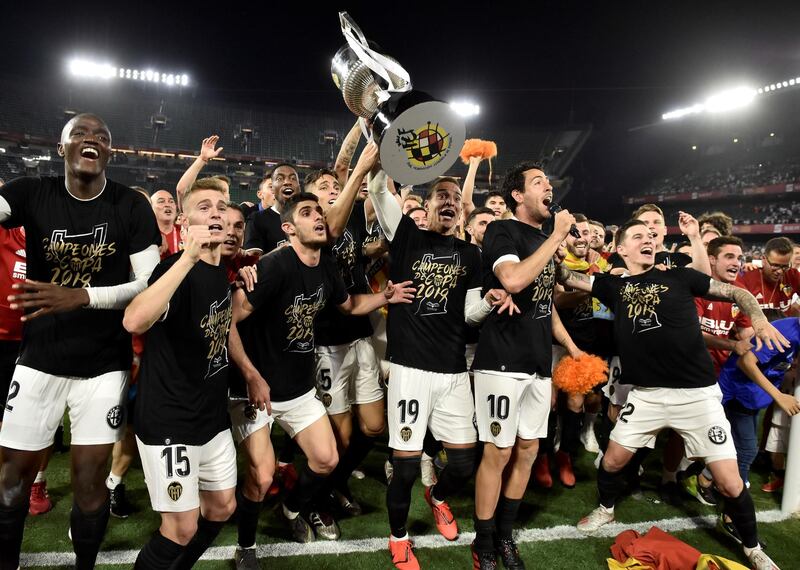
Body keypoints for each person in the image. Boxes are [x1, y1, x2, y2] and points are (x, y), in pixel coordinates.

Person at [559, 218, 787, 570]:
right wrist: (557, 237)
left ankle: (753, 547)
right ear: (620, 249)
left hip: (697, 396)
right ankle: (606, 509)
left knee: (728, 482)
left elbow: (737, 293)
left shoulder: (679, 277)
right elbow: (566, 277)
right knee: (613, 461)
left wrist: (758, 319)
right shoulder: (612, 286)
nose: (648, 239)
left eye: (651, 235)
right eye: (637, 236)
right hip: (647, 395)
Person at [0, 113, 161, 569]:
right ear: (61, 148)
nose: (92, 140)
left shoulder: (130, 205)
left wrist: (80, 296)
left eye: (102, 137)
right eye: (81, 134)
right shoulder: (32, 191)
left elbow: (148, 283)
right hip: (38, 358)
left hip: (103, 364)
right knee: (11, 478)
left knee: (90, 482)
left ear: (110, 152)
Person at [228, 192, 413, 546]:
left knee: (327, 459)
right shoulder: (273, 266)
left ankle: (292, 509)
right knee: (262, 476)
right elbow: (230, 320)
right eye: (307, 212)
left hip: (297, 389)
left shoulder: (327, 265)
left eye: (319, 212)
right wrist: (251, 375)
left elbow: (349, 305)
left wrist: (385, 297)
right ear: (288, 228)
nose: (318, 217)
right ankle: (246, 547)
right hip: (254, 389)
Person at [369, 171, 511, 570]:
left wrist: (490, 301)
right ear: (427, 206)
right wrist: (389, 158)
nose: (448, 201)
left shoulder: (471, 255)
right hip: (410, 371)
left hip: (452, 372)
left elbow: (469, 315)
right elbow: (380, 190)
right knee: (406, 467)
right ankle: (399, 538)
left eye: (454, 197)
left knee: (464, 463)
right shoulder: (406, 237)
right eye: (440, 196)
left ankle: (437, 498)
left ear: (460, 211)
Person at [471, 161, 580, 569]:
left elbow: (544, 303)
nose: (548, 187)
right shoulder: (504, 230)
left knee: (529, 450)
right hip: (501, 361)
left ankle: (504, 536)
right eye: (538, 182)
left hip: (537, 363)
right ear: (517, 195)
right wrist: (555, 239)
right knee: (498, 452)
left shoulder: (543, 239)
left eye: (549, 182)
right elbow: (514, 281)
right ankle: (483, 543)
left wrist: (570, 347)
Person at [124, 177, 236, 569]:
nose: (216, 213)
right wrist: (187, 258)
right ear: (185, 226)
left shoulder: (221, 269)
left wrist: (252, 375)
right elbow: (134, 320)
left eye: (221, 207)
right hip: (171, 418)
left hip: (211, 417)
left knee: (222, 507)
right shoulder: (174, 269)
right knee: (181, 528)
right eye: (204, 208)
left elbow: (224, 323)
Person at [243, 163, 301, 256]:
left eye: (293, 178)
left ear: (299, 187)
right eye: (279, 179)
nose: (287, 182)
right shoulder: (257, 219)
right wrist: (282, 250)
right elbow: (251, 263)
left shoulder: (311, 218)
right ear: (273, 189)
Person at [737, 237, 800, 316]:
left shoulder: (792, 275)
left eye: (785, 266)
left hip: (782, 327)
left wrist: (797, 304)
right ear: (763, 259)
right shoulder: (747, 277)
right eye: (775, 265)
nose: (780, 271)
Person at [151, 190, 181, 258]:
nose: (168, 205)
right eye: (161, 201)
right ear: (150, 208)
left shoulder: (186, 232)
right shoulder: (145, 236)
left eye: (171, 201)